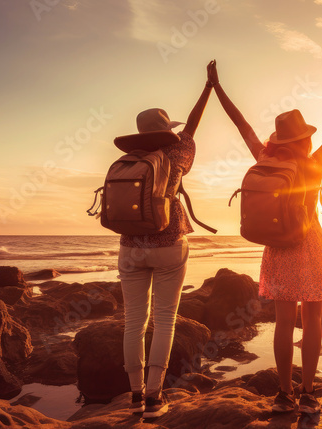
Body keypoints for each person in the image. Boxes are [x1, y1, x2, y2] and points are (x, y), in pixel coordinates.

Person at [208, 55, 322, 415]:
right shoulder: (313, 164)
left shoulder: (265, 157)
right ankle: (308, 393)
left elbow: (242, 125)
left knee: (283, 323)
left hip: (278, 248)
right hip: (309, 244)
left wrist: (217, 87)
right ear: (305, 138)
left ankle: (283, 394)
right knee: (312, 321)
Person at [115, 63, 213, 419]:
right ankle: (156, 398)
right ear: (167, 130)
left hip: (130, 247)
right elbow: (193, 123)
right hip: (170, 243)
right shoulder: (177, 154)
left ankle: (135, 395)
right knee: (165, 319)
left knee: (133, 321)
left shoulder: (127, 159)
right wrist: (208, 88)